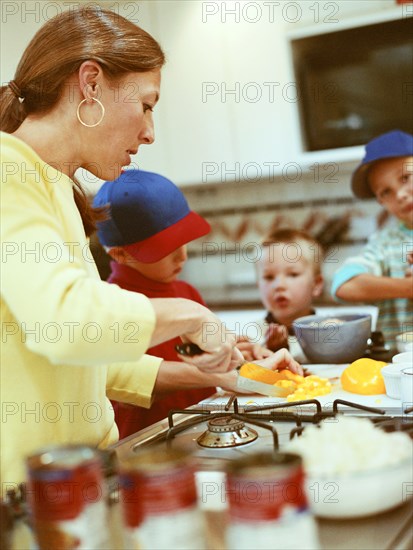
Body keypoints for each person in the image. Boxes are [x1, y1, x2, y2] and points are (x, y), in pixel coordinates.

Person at [0, 6, 301, 493]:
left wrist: (222, 377)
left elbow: (87, 361)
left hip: (82, 476)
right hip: (26, 496)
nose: (150, 132)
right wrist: (188, 314)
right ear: (91, 85)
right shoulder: (7, 172)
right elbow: (68, 326)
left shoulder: (53, 184)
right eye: (146, 104)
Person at [93, 169, 220, 437]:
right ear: (120, 254)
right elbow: (129, 384)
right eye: (165, 248)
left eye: (183, 241)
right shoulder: (109, 309)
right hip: (148, 448)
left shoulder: (187, 292)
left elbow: (206, 360)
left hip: (208, 434)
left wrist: (238, 354)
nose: (182, 257)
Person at [331, 130, 413, 350]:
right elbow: (343, 285)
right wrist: (408, 287)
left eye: (405, 178)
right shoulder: (384, 245)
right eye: (386, 191)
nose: (400, 195)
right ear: (380, 202)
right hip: (400, 368)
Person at [237, 228, 324, 362]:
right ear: (258, 285)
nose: (279, 285)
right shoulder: (252, 337)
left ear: (316, 284)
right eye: (268, 277)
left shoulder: (328, 332)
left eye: (293, 274)